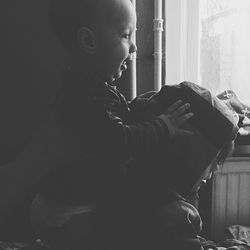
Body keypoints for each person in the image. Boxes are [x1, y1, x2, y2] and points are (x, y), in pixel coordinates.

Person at [29, 0, 197, 249]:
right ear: (88, 42)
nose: (135, 46)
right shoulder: (82, 96)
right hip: (75, 210)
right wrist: (163, 126)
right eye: (126, 35)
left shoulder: (94, 90)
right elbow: (117, 140)